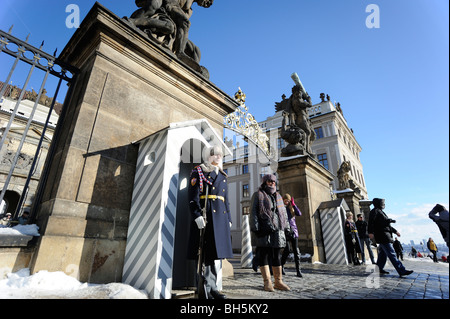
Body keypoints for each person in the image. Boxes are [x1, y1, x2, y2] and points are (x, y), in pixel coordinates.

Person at [188, 145, 233, 299]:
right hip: (205, 216)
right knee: (204, 254)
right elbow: (192, 197)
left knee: (214, 254)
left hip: (219, 219)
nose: (218, 156)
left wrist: (229, 219)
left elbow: (226, 201)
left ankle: (213, 288)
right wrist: (196, 215)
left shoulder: (222, 175)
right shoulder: (198, 171)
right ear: (208, 156)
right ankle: (205, 287)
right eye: (214, 154)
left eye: (220, 154)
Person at [250, 174, 291, 292]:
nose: (272, 183)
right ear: (264, 182)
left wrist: (287, 229)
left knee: (276, 256)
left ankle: (278, 281)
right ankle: (267, 282)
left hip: (277, 232)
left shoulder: (278, 196)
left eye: (273, 181)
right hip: (263, 231)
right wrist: (256, 228)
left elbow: (283, 215)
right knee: (264, 256)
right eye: (269, 181)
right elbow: (253, 213)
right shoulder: (258, 195)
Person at [368, 198, 413, 277]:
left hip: (384, 234)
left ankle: (379, 269)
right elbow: (371, 222)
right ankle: (401, 270)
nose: (384, 205)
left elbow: (386, 225)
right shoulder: (375, 211)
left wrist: (395, 231)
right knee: (392, 254)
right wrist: (370, 232)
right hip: (383, 235)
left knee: (382, 254)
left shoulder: (379, 211)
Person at [280, 194, 302, 277]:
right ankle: (281, 265)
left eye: (287, 201)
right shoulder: (281, 208)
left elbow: (299, 213)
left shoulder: (291, 208)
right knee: (287, 250)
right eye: (285, 200)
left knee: (296, 251)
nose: (286, 202)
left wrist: (293, 204)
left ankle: (298, 270)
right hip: (286, 232)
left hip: (293, 231)